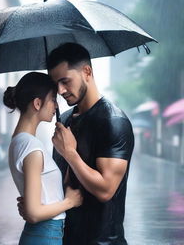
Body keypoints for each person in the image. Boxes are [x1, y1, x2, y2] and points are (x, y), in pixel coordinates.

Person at [48, 43, 135, 245]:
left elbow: (105, 190)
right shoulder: (66, 120)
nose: (60, 90)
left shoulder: (113, 121)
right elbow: (63, 183)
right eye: (56, 84)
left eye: (65, 81)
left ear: (87, 72)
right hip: (67, 238)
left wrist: (69, 153)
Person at [3, 72, 83, 245]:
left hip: (41, 235)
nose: (56, 105)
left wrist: (68, 152)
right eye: (53, 99)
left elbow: (42, 197)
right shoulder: (32, 147)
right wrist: (70, 201)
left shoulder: (18, 141)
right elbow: (33, 213)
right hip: (45, 236)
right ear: (37, 103)